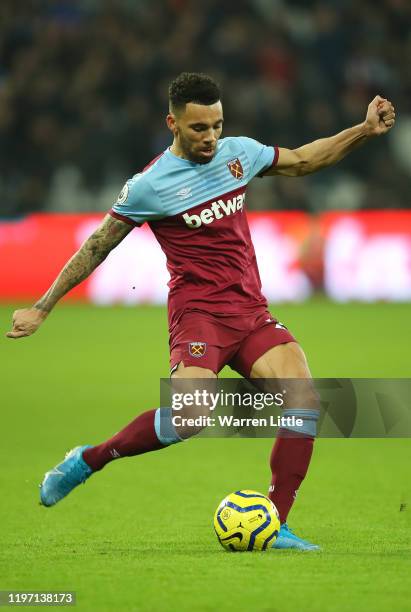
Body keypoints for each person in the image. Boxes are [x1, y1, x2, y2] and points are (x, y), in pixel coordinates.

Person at [7, 72, 395, 551]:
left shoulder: (238, 153)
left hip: (250, 310)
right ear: (172, 123)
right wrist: (43, 308)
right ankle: (90, 459)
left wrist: (362, 130)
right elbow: (97, 246)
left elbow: (302, 160)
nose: (210, 137)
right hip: (199, 316)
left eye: (216, 125)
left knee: (304, 399)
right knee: (190, 418)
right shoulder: (150, 186)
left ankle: (276, 524)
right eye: (198, 129)